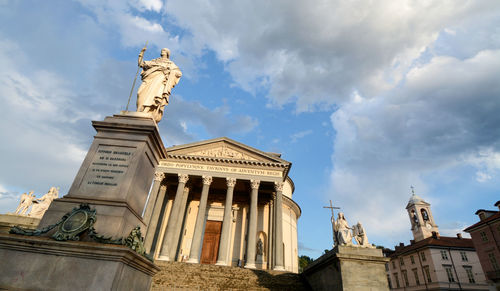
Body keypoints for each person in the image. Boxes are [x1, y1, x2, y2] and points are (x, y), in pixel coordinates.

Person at [136, 47, 182, 123]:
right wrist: (141, 54)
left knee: (153, 96)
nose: (162, 51)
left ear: (167, 53)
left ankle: (145, 111)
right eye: (162, 50)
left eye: (164, 50)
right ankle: (139, 111)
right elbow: (141, 64)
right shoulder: (155, 61)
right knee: (139, 93)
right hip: (149, 80)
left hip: (159, 80)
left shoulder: (170, 64)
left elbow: (179, 73)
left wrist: (169, 71)